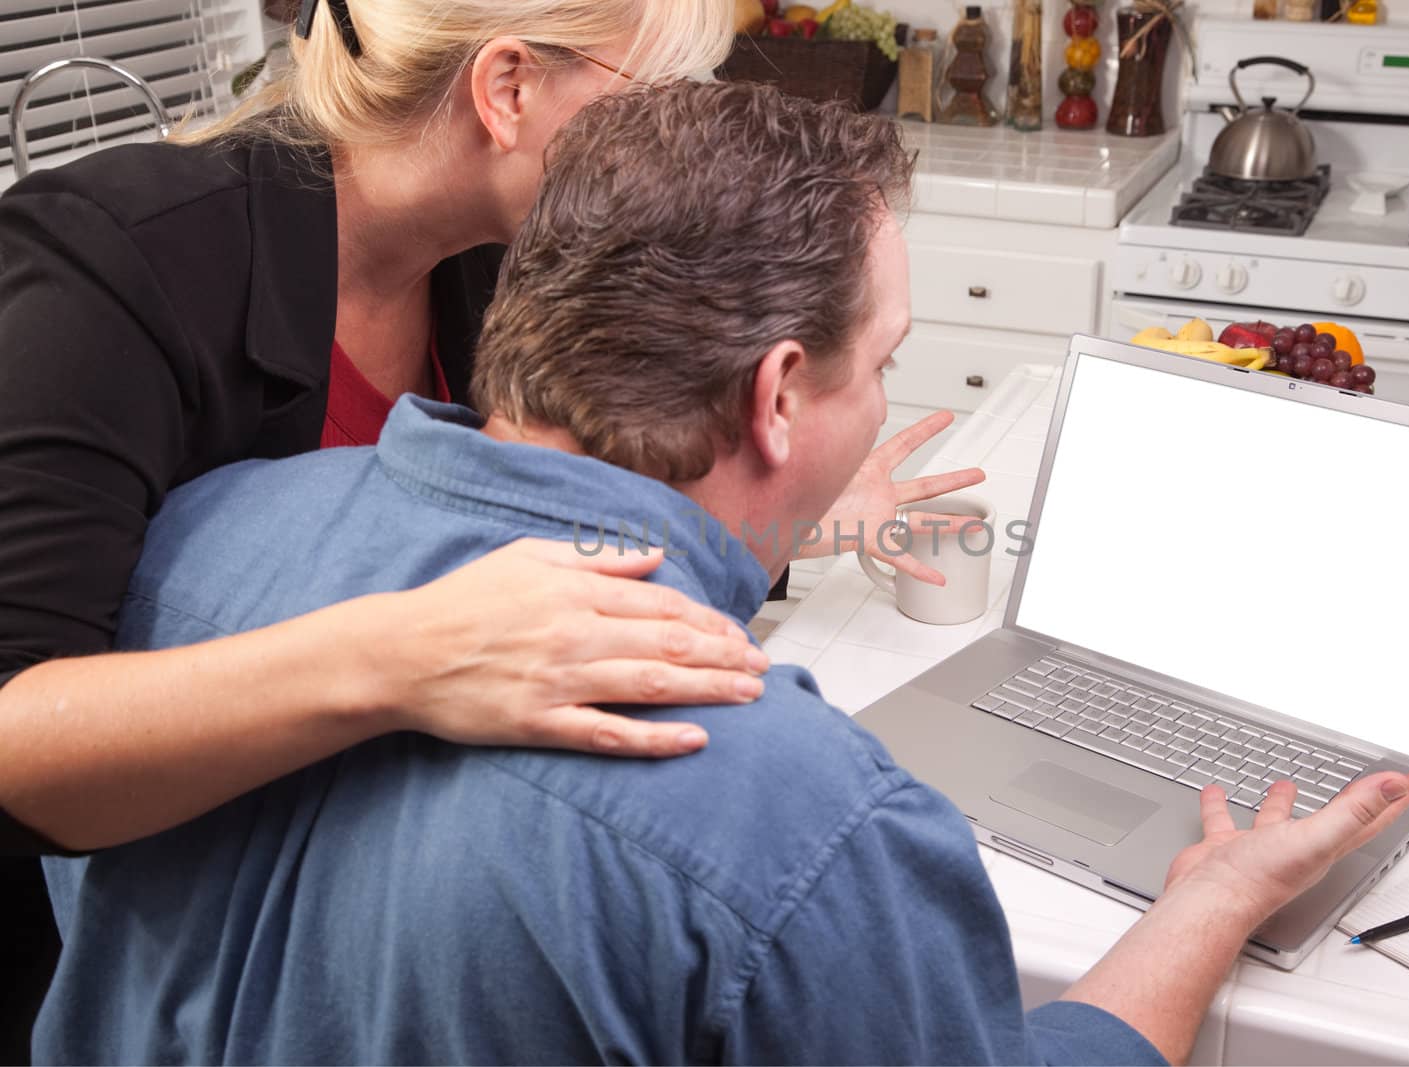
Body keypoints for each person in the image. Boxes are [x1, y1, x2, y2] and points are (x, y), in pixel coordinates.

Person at [36, 80, 1409, 1065]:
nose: (882, 398)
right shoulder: (799, 815)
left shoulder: (197, 541)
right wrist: (1209, 901)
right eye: (881, 364)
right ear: (776, 396)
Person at [0, 0, 978, 1047]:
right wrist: (407, 652)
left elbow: (545, 488)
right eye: (653, 96)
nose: (676, 137)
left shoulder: (497, 256)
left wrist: (790, 510)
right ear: (506, 87)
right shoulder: (111, 270)